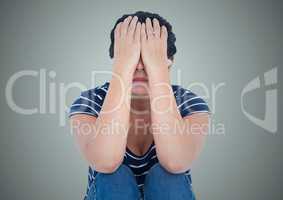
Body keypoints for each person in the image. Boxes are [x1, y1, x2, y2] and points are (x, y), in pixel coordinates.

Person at [69, 11, 211, 200]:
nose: (140, 66)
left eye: (149, 56)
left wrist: (158, 71)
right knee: (115, 179)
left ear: (169, 61)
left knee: (168, 179)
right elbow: (105, 162)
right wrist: (123, 68)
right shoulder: (90, 101)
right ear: (116, 58)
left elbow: (176, 162)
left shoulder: (189, 103)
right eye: (132, 55)